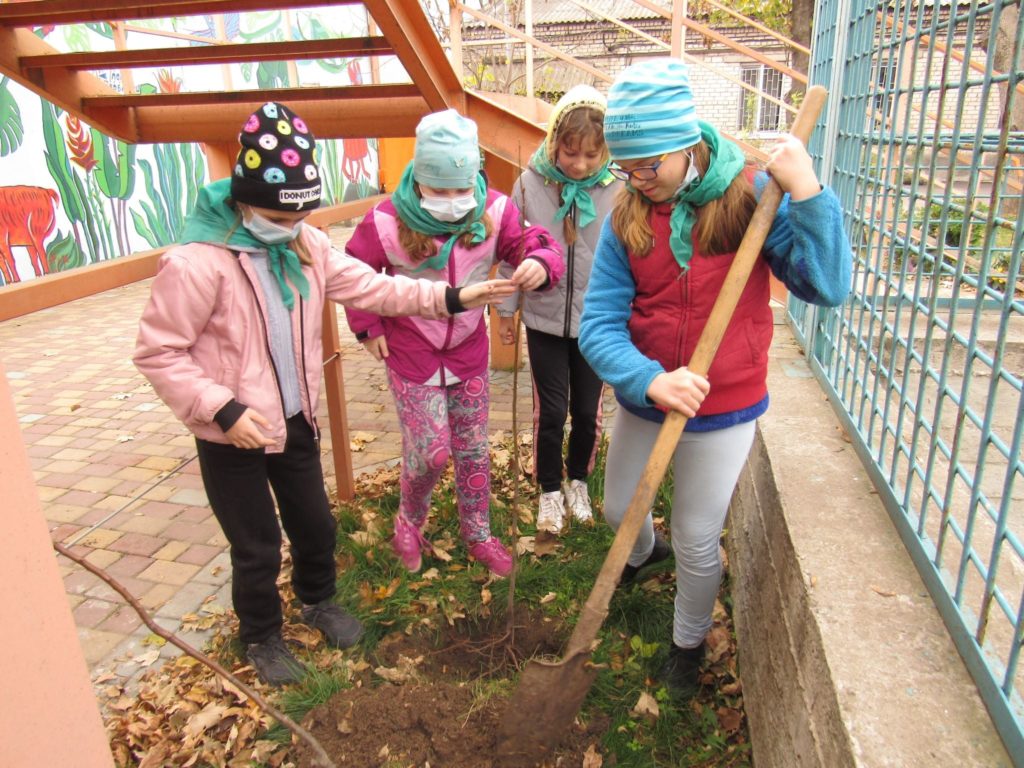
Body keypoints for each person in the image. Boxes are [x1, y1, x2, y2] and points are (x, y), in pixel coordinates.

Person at [133, 102, 515, 687]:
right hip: (233, 432)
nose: (291, 227)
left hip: (295, 419)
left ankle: (319, 600)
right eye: (278, 217)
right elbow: (159, 352)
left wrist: (453, 299)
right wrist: (222, 409)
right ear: (244, 199)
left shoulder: (306, 245)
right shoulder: (197, 264)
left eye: (300, 215)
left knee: (315, 524)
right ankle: (261, 634)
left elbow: (374, 287)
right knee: (257, 543)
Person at [579, 60, 852, 698]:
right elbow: (598, 327)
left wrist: (809, 193)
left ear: (686, 143)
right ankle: (644, 556)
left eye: (651, 165)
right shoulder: (628, 217)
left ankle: (686, 644)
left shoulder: (754, 197)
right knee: (621, 510)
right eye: (627, 167)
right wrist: (649, 380)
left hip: (724, 406)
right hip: (649, 398)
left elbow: (827, 285)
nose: (639, 179)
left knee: (699, 535)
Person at [344, 109, 564, 579]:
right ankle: (409, 521)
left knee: (472, 449)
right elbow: (356, 275)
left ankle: (478, 531)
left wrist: (540, 262)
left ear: (476, 177)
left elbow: (532, 242)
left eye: (461, 189)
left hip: (468, 352)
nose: (452, 200)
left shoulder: (495, 210)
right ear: (419, 179)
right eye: (439, 190)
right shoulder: (385, 221)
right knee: (431, 451)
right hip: (410, 351)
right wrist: (368, 326)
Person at [496, 85, 622, 535]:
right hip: (544, 318)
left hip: (599, 321)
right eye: (570, 152)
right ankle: (549, 488)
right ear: (554, 142)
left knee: (588, 411)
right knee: (550, 411)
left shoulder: (620, 187)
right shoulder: (530, 183)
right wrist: (506, 312)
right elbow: (511, 249)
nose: (580, 164)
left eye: (591, 154)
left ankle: (578, 482)